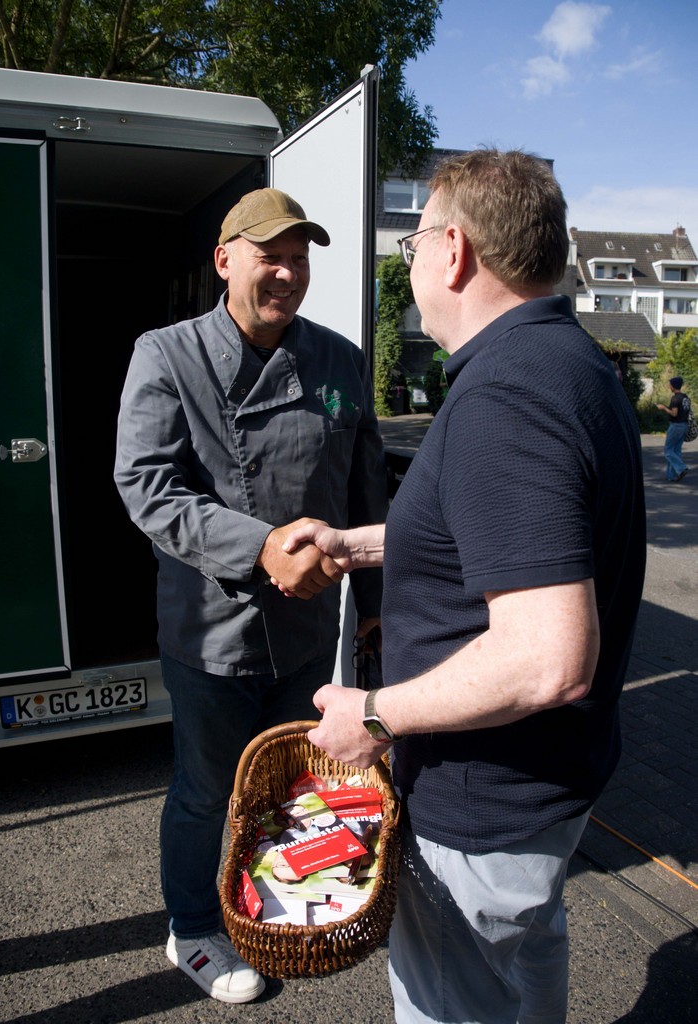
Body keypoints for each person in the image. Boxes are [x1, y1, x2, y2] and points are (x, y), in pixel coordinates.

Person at [277, 150, 646, 1024]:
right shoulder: (568, 361)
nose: (409, 266)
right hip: (547, 787)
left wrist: (373, 717)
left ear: (453, 252)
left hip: (486, 803)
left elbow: (548, 656)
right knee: (531, 957)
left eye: (411, 245)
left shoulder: (506, 396)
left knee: (454, 1002)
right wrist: (357, 544)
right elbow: (498, 539)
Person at [114, 187, 387, 1004]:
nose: (288, 273)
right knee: (208, 791)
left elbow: (366, 487)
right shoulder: (168, 355)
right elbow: (147, 486)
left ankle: (266, 901)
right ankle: (192, 925)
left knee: (284, 786)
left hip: (307, 628)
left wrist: (376, 604)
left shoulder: (339, 360)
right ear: (224, 260)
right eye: (271, 255)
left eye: (300, 259)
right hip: (212, 630)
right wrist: (261, 547)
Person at [656, 376, 690, 482]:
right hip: (684, 425)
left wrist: (663, 408)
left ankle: (681, 468)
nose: (669, 386)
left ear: (674, 386)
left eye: (670, 384)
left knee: (668, 450)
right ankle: (672, 476)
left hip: (676, 426)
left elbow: (674, 414)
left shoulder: (675, 398)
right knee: (676, 450)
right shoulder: (685, 397)